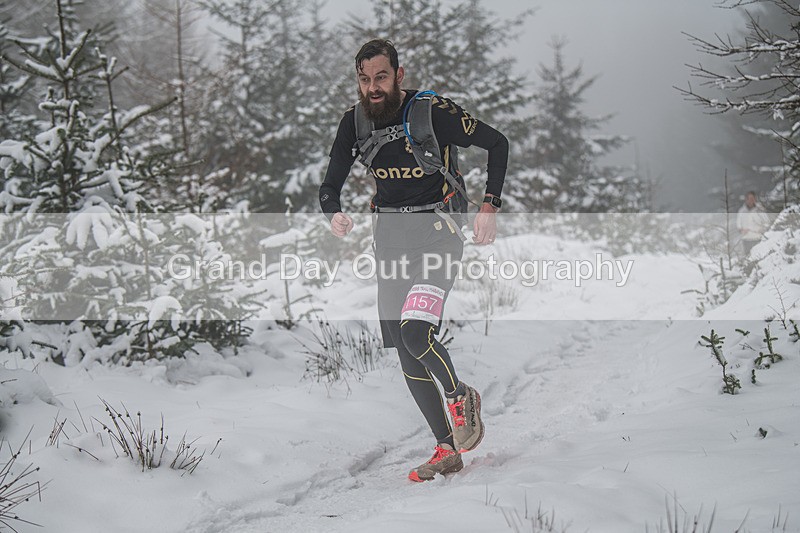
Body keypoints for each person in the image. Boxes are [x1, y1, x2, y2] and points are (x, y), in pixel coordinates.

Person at [319, 39, 508, 482]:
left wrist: (490, 206)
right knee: (406, 352)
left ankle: (460, 396)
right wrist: (334, 214)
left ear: (399, 75)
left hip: (438, 235)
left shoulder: (431, 112)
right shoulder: (354, 122)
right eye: (364, 79)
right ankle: (446, 448)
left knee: (416, 332)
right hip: (390, 243)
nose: (373, 87)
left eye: (381, 77)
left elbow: (496, 143)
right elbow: (329, 185)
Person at [736, 191, 769, 256]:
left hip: (758, 238)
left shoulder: (760, 210)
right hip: (746, 239)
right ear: (746, 199)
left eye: (753, 198)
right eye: (749, 198)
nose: (751, 200)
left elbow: (767, 222)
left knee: (759, 256)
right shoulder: (741, 211)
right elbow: (738, 223)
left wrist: (763, 229)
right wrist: (741, 230)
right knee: (748, 257)